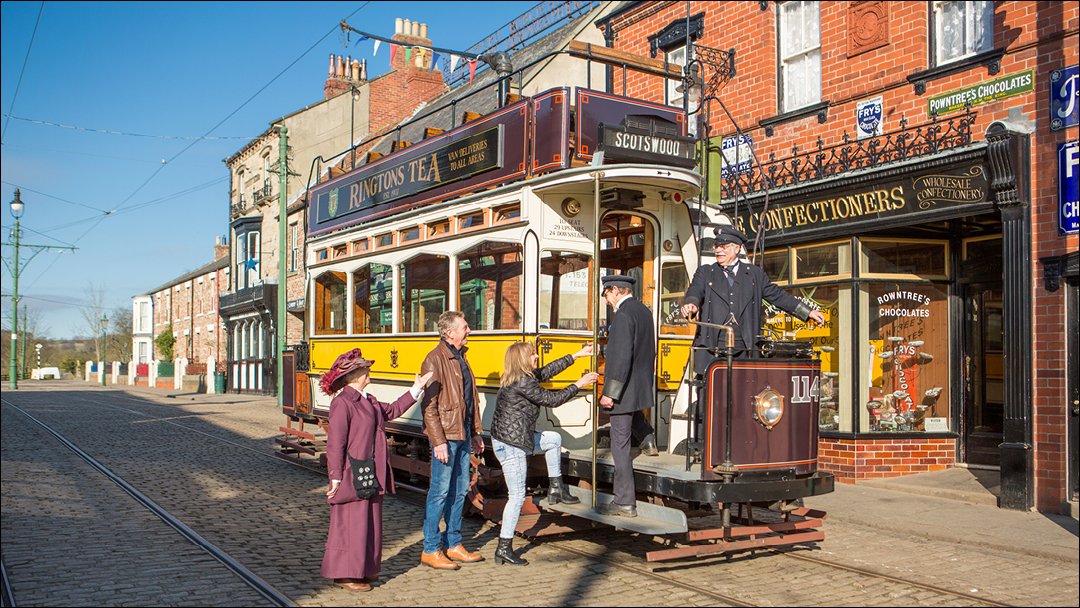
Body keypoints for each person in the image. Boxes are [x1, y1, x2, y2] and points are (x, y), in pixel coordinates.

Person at [680, 225, 826, 444]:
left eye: (724, 246)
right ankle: (704, 448)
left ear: (737, 248)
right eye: (717, 246)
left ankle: (739, 445)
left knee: (743, 400)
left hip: (744, 348)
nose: (718, 250)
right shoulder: (706, 272)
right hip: (712, 348)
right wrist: (691, 304)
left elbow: (777, 296)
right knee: (707, 401)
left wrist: (806, 312)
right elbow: (695, 291)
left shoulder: (755, 275)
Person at [320, 348, 433, 591]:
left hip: (370, 470)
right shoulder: (342, 402)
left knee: (368, 522)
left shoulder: (368, 399)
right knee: (351, 523)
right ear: (354, 375)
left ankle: (364, 569)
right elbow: (335, 443)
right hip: (352, 472)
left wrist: (416, 389)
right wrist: (335, 477)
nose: (368, 370)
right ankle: (345, 574)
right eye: (365, 368)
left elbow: (391, 410)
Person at [490, 341, 600, 565]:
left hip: (515, 439)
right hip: (512, 445)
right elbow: (552, 400)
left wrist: (577, 354)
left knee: (553, 439)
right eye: (532, 355)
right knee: (517, 496)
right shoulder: (523, 382)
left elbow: (548, 370)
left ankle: (556, 488)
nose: (537, 357)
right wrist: (579, 384)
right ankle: (503, 547)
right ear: (523, 360)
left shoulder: (520, 377)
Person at [418, 311, 485, 570]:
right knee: (440, 492)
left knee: (459, 490)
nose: (469, 331)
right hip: (446, 436)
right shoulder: (434, 359)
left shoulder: (461, 357)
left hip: (463, 433)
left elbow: (470, 400)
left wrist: (475, 432)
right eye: (465, 327)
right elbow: (429, 406)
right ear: (450, 332)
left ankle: (453, 544)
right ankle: (431, 549)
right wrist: (438, 441)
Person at [597, 274, 657, 518]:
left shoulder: (622, 315)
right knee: (633, 418)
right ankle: (648, 437)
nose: (606, 300)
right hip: (640, 384)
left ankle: (624, 501)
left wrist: (609, 393)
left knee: (619, 445)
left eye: (606, 294)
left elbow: (620, 358)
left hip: (623, 389)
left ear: (616, 290)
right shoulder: (644, 311)